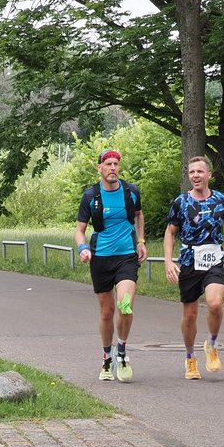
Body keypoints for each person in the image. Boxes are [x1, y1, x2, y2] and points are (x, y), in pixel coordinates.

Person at [163, 156, 224, 380]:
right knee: (190, 315)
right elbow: (170, 232)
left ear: (209, 175)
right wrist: (168, 260)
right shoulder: (181, 202)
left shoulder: (220, 199)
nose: (195, 175)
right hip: (189, 260)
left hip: (214, 258)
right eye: (191, 172)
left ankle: (212, 345)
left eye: (199, 171)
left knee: (215, 304)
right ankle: (190, 357)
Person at [75, 149, 147, 383]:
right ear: (100, 168)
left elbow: (139, 215)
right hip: (101, 257)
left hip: (126, 256)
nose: (113, 168)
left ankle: (122, 353)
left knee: (125, 304)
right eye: (108, 164)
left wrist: (141, 241)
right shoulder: (91, 196)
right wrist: (82, 248)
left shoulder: (130, 191)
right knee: (107, 311)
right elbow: (79, 230)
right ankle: (107, 357)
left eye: (116, 164)